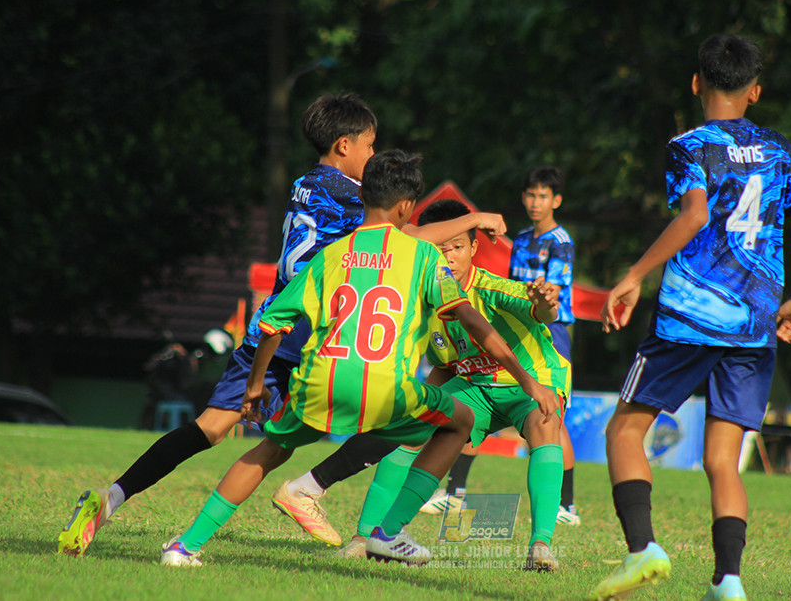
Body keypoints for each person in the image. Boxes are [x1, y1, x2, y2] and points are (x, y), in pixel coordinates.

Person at [58, 92, 507, 557]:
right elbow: (403, 236)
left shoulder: (304, 184)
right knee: (384, 417)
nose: (373, 156)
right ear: (342, 146)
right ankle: (329, 503)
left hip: (270, 331)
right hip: (313, 339)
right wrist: (470, 219)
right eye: (369, 146)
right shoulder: (349, 196)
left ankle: (111, 499)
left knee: (210, 429)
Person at [158, 150, 557, 567]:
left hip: (320, 382)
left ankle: (186, 546)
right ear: (406, 207)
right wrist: (527, 382)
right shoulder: (423, 256)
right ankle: (388, 532)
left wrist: (256, 386)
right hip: (385, 389)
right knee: (460, 420)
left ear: (363, 195)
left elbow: (273, 323)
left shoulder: (331, 254)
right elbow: (475, 325)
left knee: (269, 451)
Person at [588, 34, 791, 601]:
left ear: (697, 83)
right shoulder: (781, 150)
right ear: (756, 92)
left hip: (688, 318)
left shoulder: (689, 145)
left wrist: (635, 273)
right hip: (755, 322)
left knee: (623, 430)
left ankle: (643, 550)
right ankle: (729, 582)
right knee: (723, 458)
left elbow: (693, 216)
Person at [343, 199, 570, 570]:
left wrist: (546, 303)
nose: (449, 257)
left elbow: (540, 310)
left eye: (458, 247)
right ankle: (367, 536)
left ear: (474, 248)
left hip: (531, 382)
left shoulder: (493, 288)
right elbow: (444, 370)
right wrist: (424, 409)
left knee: (545, 425)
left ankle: (540, 546)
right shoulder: (425, 303)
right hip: (476, 387)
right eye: (440, 247)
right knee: (411, 429)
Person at [418, 165, 581, 524]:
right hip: (510, 317)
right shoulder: (521, 238)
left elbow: (548, 299)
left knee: (550, 417)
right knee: (477, 399)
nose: (535, 202)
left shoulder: (561, 241)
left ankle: (564, 504)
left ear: (556, 200)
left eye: (542, 196)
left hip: (547, 327)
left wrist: (541, 303)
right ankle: (455, 491)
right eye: (530, 195)